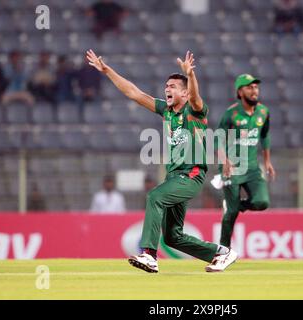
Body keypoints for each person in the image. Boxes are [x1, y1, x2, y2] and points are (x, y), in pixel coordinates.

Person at [86, 49, 237, 273]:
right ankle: (221, 253)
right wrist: (107, 70)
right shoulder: (166, 111)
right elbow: (134, 93)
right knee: (173, 237)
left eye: (173, 86)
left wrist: (191, 75)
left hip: (191, 175)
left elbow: (196, 98)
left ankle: (149, 254)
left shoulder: (194, 111)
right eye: (166, 86)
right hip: (175, 177)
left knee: (155, 196)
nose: (167, 89)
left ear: (184, 94)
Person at [215, 74, 276, 250]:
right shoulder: (231, 113)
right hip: (231, 168)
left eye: (256, 87)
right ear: (240, 91)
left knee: (262, 203)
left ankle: (234, 204)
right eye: (249, 87)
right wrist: (224, 160)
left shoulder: (263, 112)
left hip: (252, 168)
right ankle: (223, 251)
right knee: (232, 213)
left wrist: (267, 161)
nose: (254, 90)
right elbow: (217, 138)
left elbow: (265, 135)